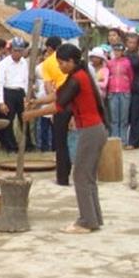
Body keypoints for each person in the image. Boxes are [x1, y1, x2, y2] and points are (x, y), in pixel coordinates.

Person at [24, 44, 109, 234]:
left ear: (71, 62)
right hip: (94, 129)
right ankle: (94, 217)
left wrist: (33, 114)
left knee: (81, 175)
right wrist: (36, 101)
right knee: (88, 177)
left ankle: (87, 221)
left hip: (90, 130)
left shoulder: (78, 78)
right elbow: (58, 94)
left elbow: (58, 106)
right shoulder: (76, 75)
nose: (60, 66)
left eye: (62, 63)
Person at [33, 36, 71, 185]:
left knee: (61, 142)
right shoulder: (70, 60)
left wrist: (54, 104)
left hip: (60, 101)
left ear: (49, 49)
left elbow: (49, 88)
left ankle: (63, 176)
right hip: (71, 101)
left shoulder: (47, 64)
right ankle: (69, 170)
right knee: (68, 140)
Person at [0, 37, 29, 153]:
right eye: (16, 50)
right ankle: (10, 145)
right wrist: (1, 101)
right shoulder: (3, 64)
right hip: (8, 91)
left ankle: (27, 143)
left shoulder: (24, 62)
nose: (18, 53)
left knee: (25, 118)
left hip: (20, 92)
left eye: (20, 50)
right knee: (8, 120)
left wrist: (26, 96)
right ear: (10, 51)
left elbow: (26, 80)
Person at [106, 42, 133, 143]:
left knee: (124, 118)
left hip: (125, 91)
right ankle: (114, 139)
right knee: (114, 118)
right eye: (115, 50)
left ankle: (123, 139)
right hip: (112, 91)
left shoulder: (127, 62)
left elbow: (131, 76)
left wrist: (127, 85)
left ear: (122, 52)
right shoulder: (110, 63)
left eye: (119, 51)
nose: (117, 52)